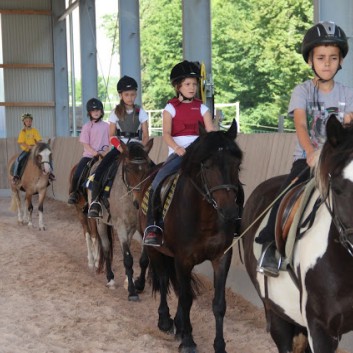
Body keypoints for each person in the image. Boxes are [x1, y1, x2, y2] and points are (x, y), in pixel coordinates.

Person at [255, 21, 353, 277]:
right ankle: (270, 245)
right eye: (321, 58)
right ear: (310, 60)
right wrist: (310, 151)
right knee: (286, 196)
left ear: (341, 60)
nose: (327, 63)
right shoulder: (302, 92)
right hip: (308, 160)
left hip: (339, 162)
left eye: (333, 58)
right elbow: (300, 124)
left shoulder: (348, 93)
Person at [143, 60, 215, 246]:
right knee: (158, 181)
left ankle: (233, 219)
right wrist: (177, 148)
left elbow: (211, 132)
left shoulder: (203, 108)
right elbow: (166, 134)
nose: (192, 88)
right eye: (188, 84)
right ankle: (153, 226)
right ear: (178, 86)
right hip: (179, 153)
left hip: (199, 151)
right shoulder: (170, 108)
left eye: (194, 84)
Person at [87, 75, 150, 218]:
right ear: (121, 95)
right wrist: (120, 148)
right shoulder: (115, 113)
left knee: (152, 169)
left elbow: (146, 134)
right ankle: (95, 202)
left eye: (133, 94)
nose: (130, 97)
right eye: (127, 95)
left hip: (136, 148)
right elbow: (111, 135)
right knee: (101, 169)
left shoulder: (141, 112)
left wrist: (142, 148)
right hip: (120, 147)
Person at [67, 98, 110, 205]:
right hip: (90, 156)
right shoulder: (86, 127)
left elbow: (111, 141)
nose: (96, 112)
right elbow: (85, 143)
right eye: (93, 111)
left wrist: (106, 152)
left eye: (98, 110)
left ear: (101, 111)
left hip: (105, 155)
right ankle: (74, 193)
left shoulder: (107, 126)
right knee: (78, 173)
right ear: (89, 113)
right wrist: (94, 153)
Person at [12, 113, 55, 184]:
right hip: (27, 150)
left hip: (35, 149)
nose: (29, 122)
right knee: (18, 160)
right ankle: (16, 175)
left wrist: (40, 144)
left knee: (48, 158)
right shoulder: (23, 131)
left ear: (31, 122)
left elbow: (38, 139)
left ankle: (50, 173)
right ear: (24, 123)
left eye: (30, 121)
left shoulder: (34, 130)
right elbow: (21, 142)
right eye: (27, 121)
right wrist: (28, 146)